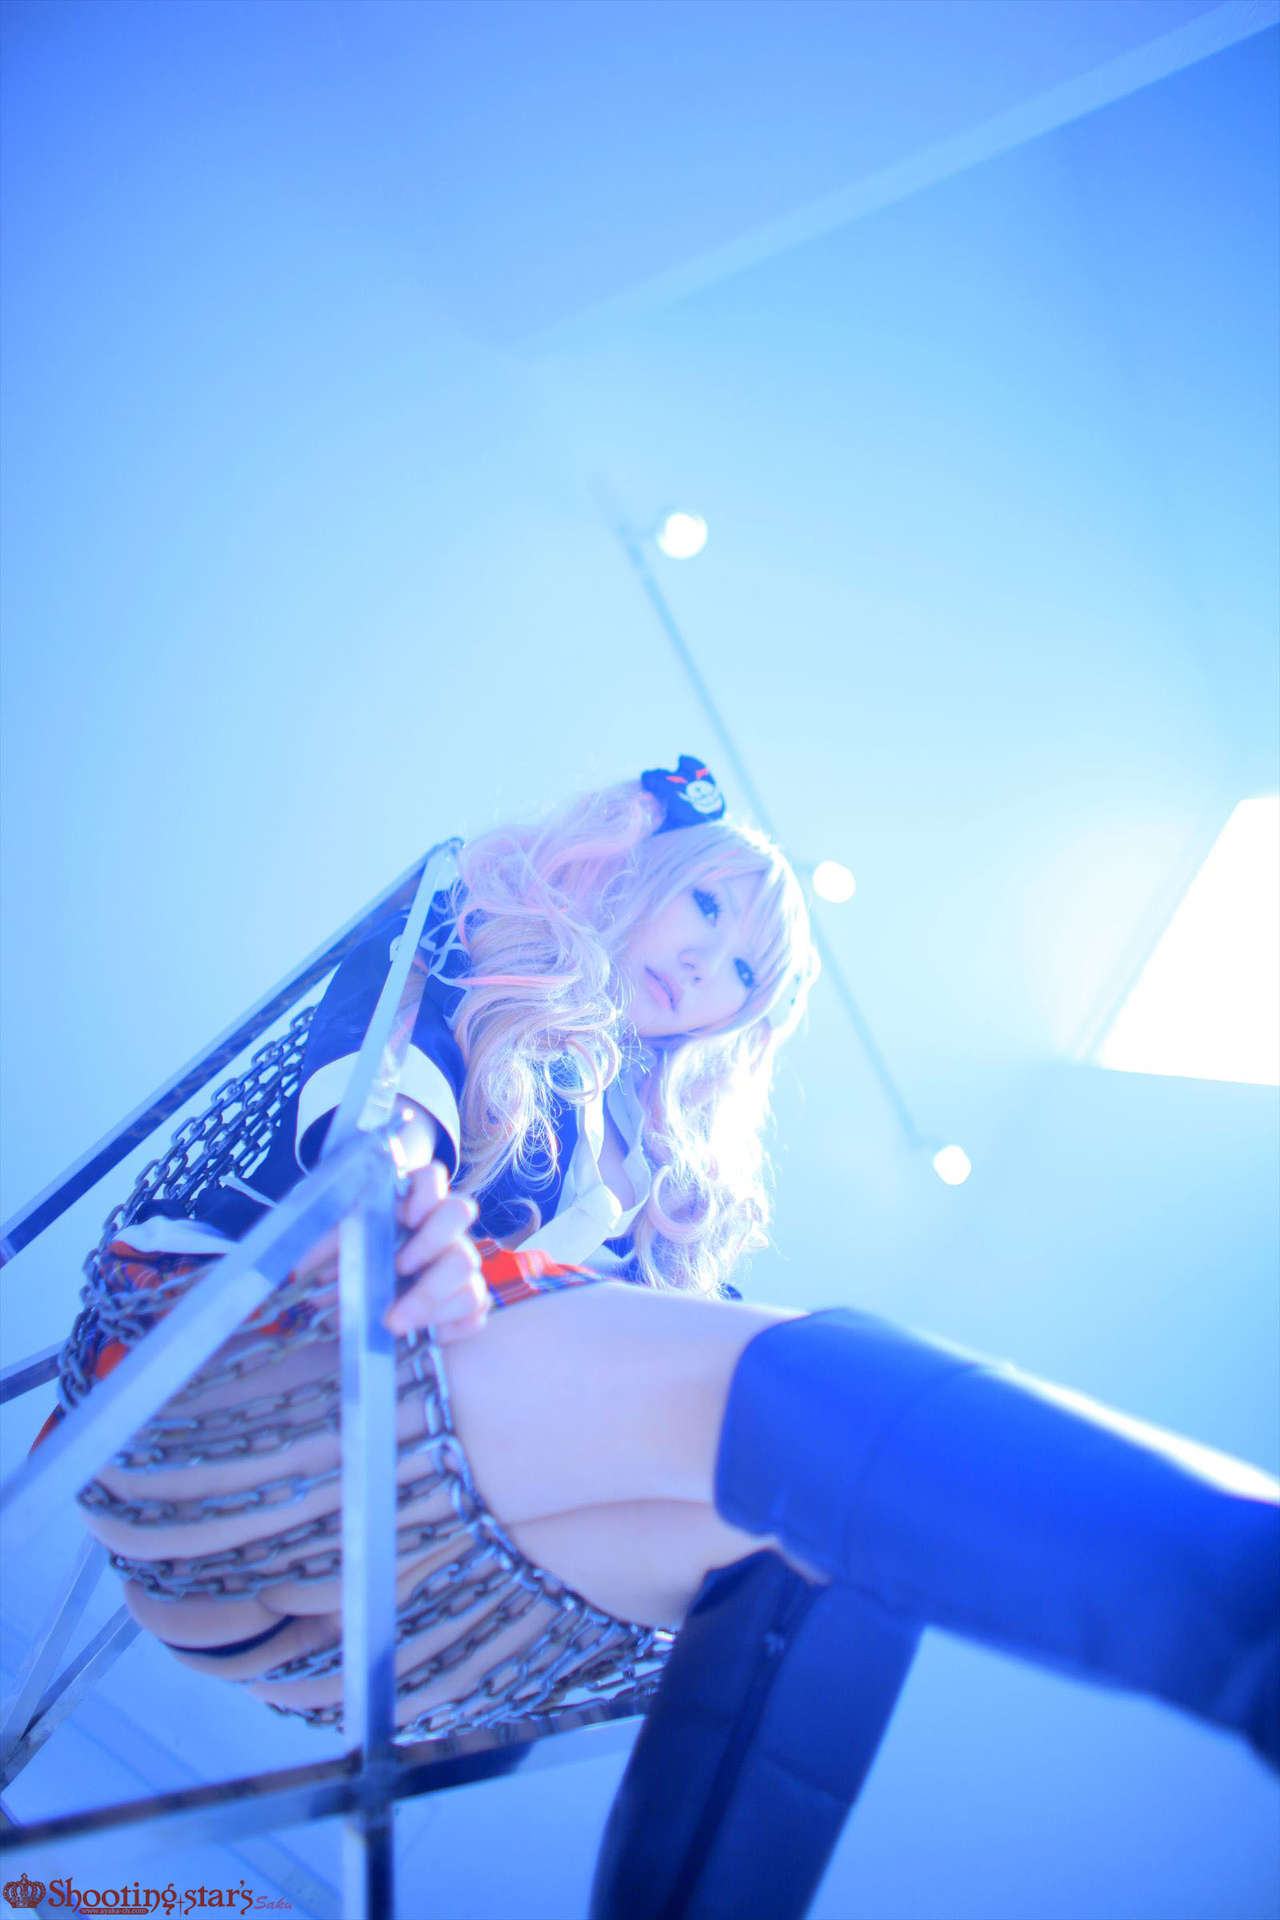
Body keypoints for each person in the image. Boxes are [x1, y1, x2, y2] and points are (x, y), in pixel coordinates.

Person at [55, 755, 1278, 1909]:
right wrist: (397, 1202)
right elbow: (374, 1104)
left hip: (390, 1599)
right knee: (817, 1380)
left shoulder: (646, 1180)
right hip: (216, 1410)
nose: (704, 966)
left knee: (821, 1555)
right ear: (637, 869)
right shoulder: (480, 951)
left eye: (742, 971)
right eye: (703, 906)